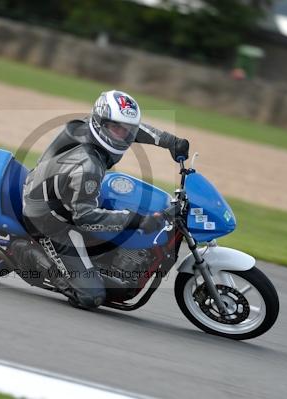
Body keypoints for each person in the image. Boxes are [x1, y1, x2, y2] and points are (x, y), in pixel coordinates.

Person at [10, 90, 189, 309]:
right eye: (116, 128)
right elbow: (84, 217)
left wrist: (171, 142)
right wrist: (138, 221)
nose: (122, 135)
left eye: (126, 131)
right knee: (91, 296)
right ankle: (27, 254)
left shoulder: (92, 126)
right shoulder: (88, 165)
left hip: (60, 189)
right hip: (50, 220)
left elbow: (137, 130)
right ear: (101, 123)